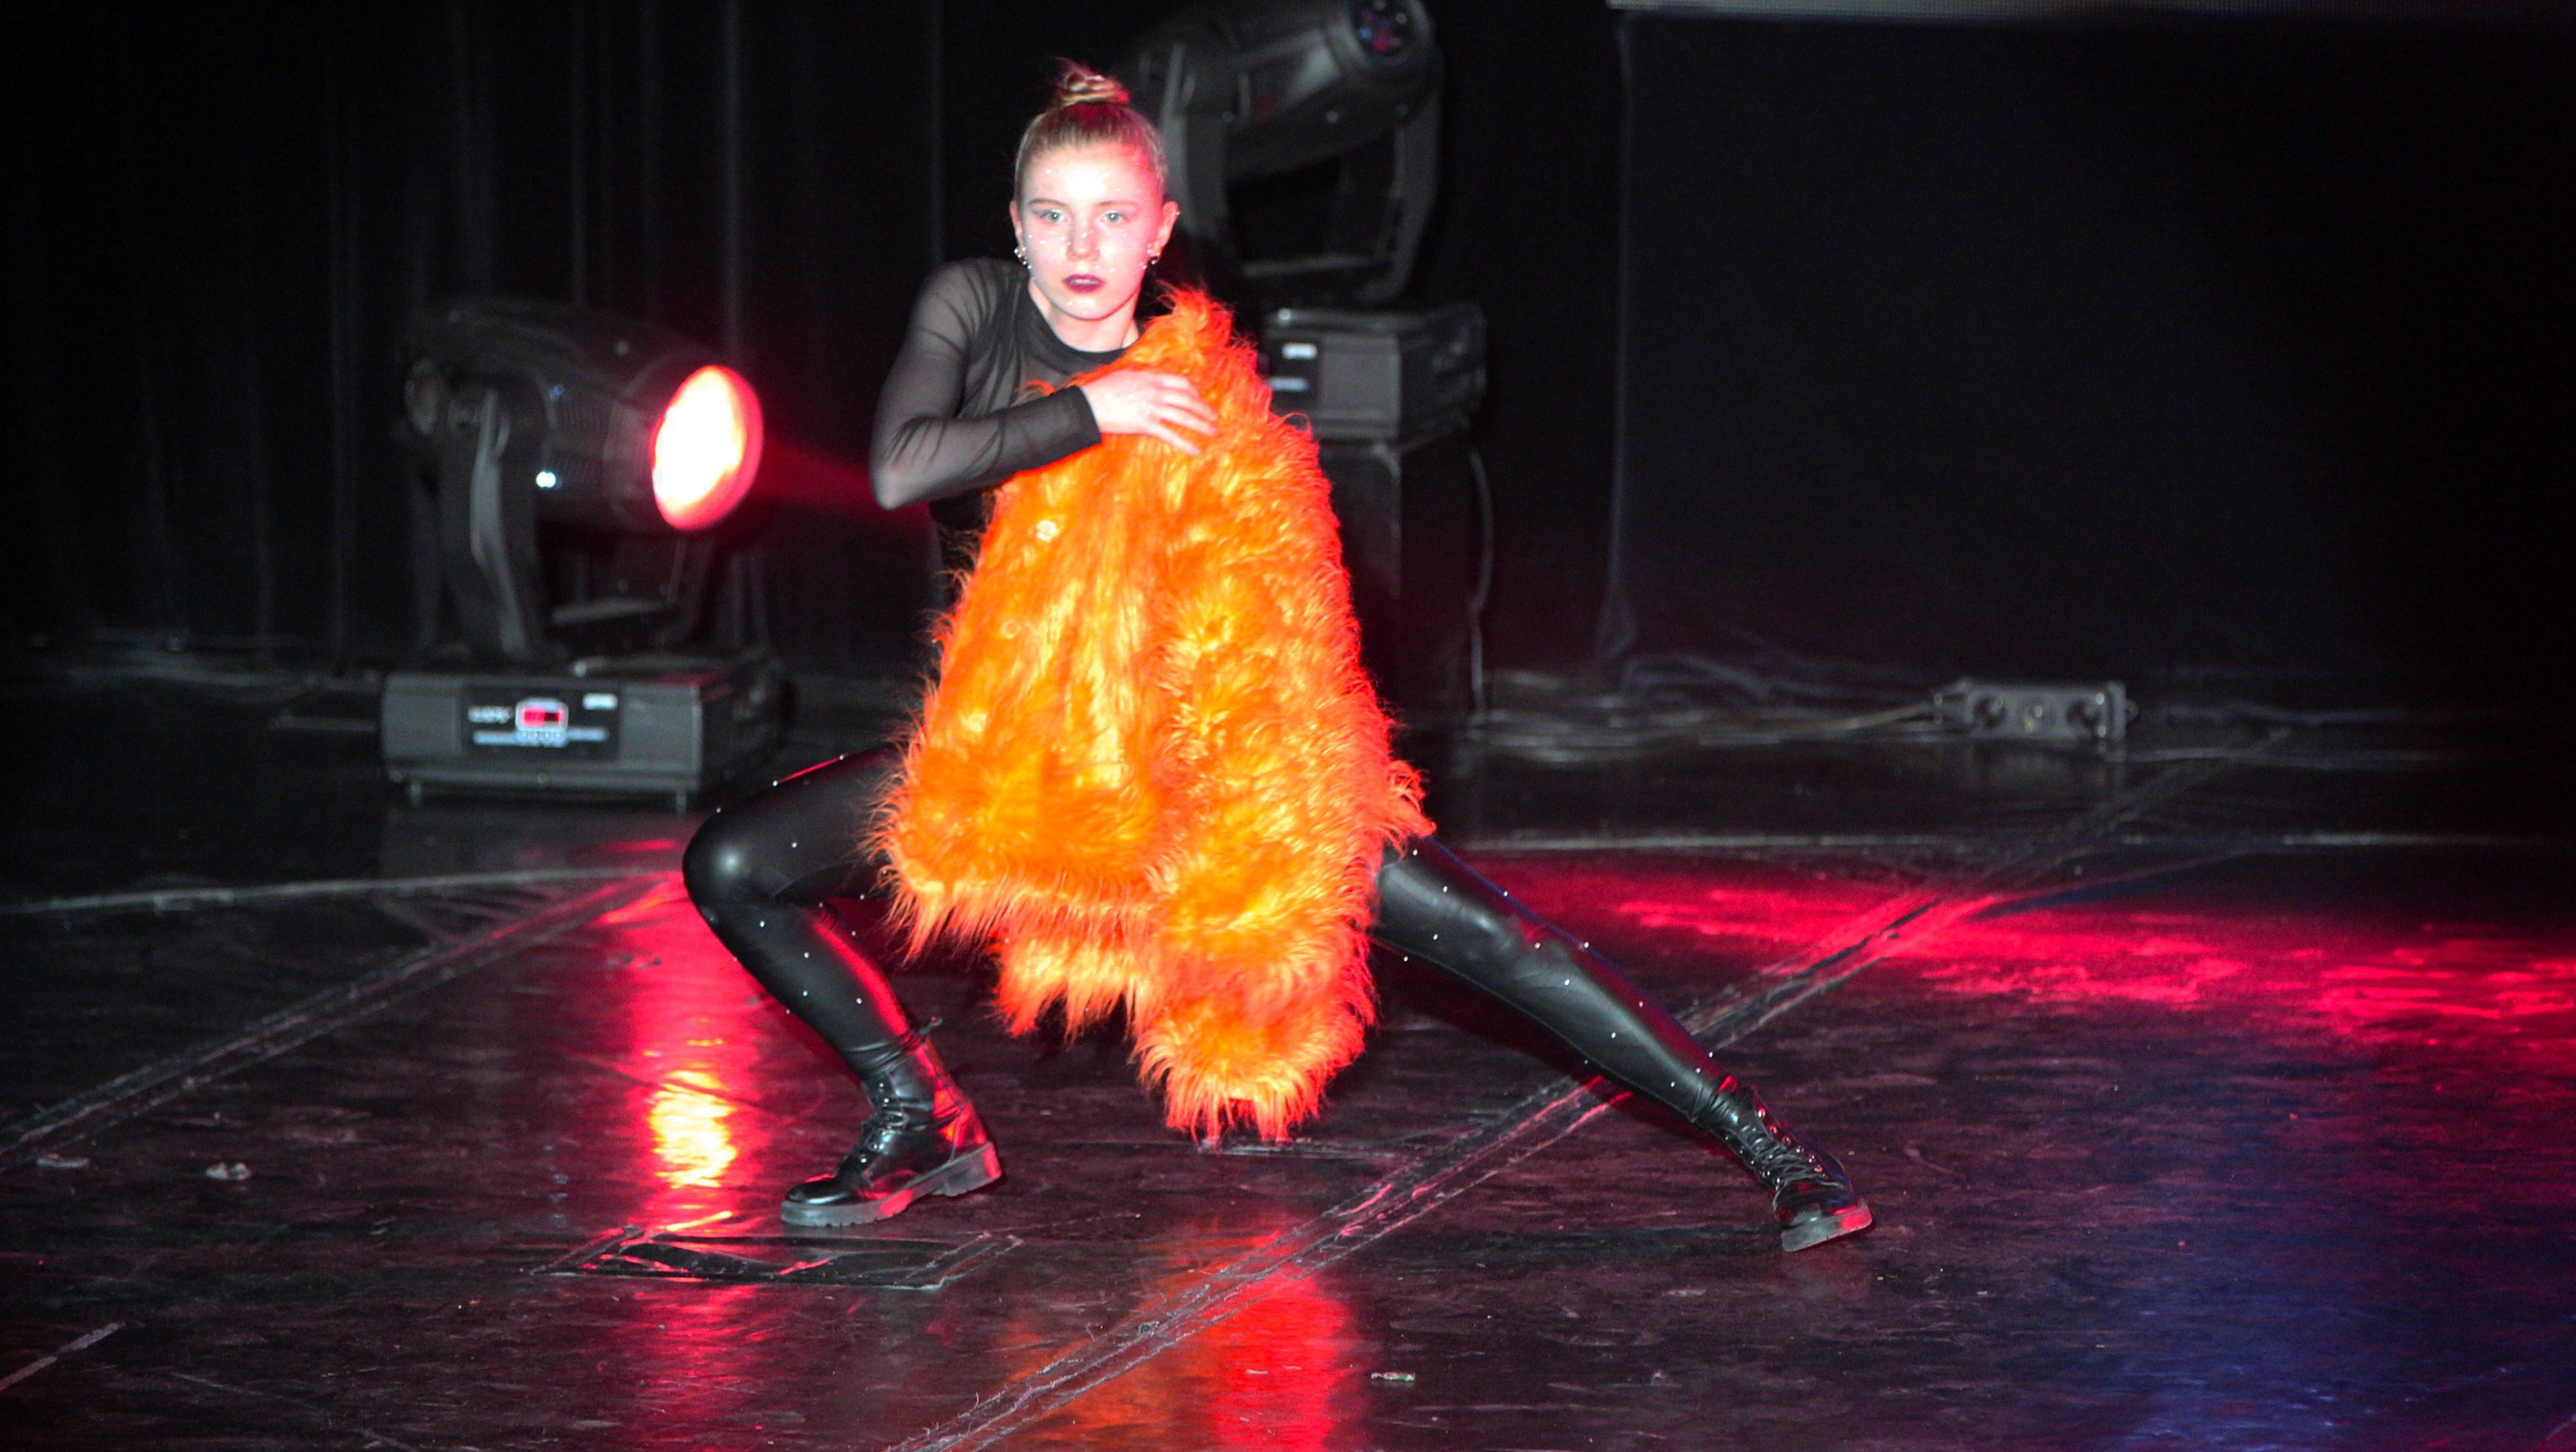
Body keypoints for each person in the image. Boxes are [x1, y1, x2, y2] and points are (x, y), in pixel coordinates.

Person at [683, 66, 1870, 1251]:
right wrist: (1094, 411)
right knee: (734, 863)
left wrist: (1262, 784)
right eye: (1053, 216)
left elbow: (1269, 609)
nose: (1081, 247)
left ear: (1159, 231)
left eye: (1112, 217)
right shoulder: (974, 309)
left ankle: (1773, 1150)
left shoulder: (1196, 382)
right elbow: (904, 466)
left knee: (1495, 941)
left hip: (1200, 768)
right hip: (1019, 764)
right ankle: (920, 1116)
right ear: (1016, 225)